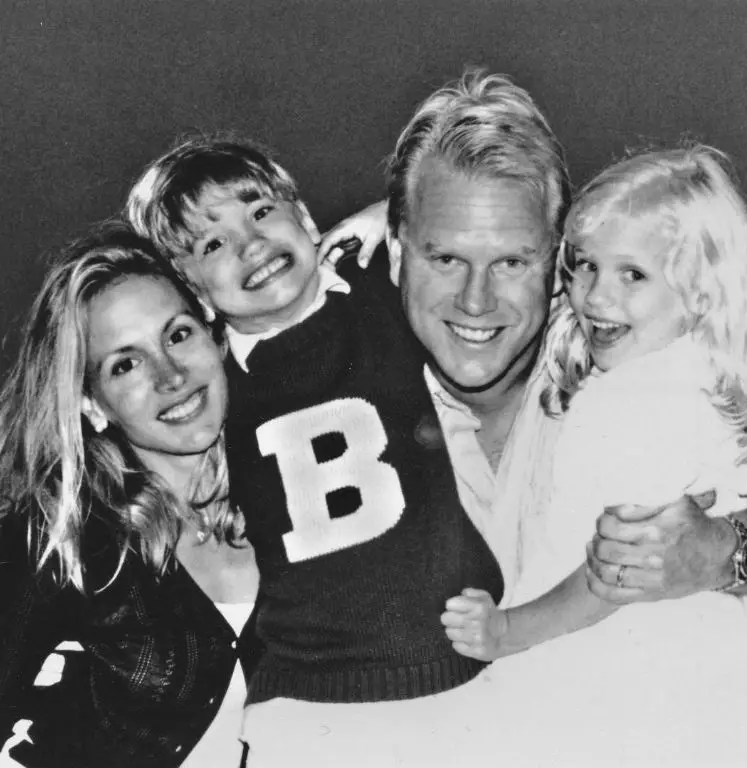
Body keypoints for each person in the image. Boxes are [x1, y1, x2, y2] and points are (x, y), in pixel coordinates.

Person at [125, 134, 504, 763]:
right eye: (212, 244)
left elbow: (451, 202)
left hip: (462, 667)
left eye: (262, 211)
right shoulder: (214, 386)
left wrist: (373, 218)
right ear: (189, 292)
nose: (250, 243)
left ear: (304, 218)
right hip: (309, 703)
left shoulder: (380, 292)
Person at [443, 144, 747, 657]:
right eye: (587, 265)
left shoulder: (646, 403)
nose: (594, 296)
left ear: (702, 292)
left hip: (620, 645)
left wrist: (509, 631)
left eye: (632, 274)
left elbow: (616, 571)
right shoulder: (688, 368)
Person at [0, 222, 258, 768]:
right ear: (94, 406)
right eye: (125, 364)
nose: (171, 375)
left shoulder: (289, 492)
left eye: (178, 334)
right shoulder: (61, 536)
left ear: (216, 335)